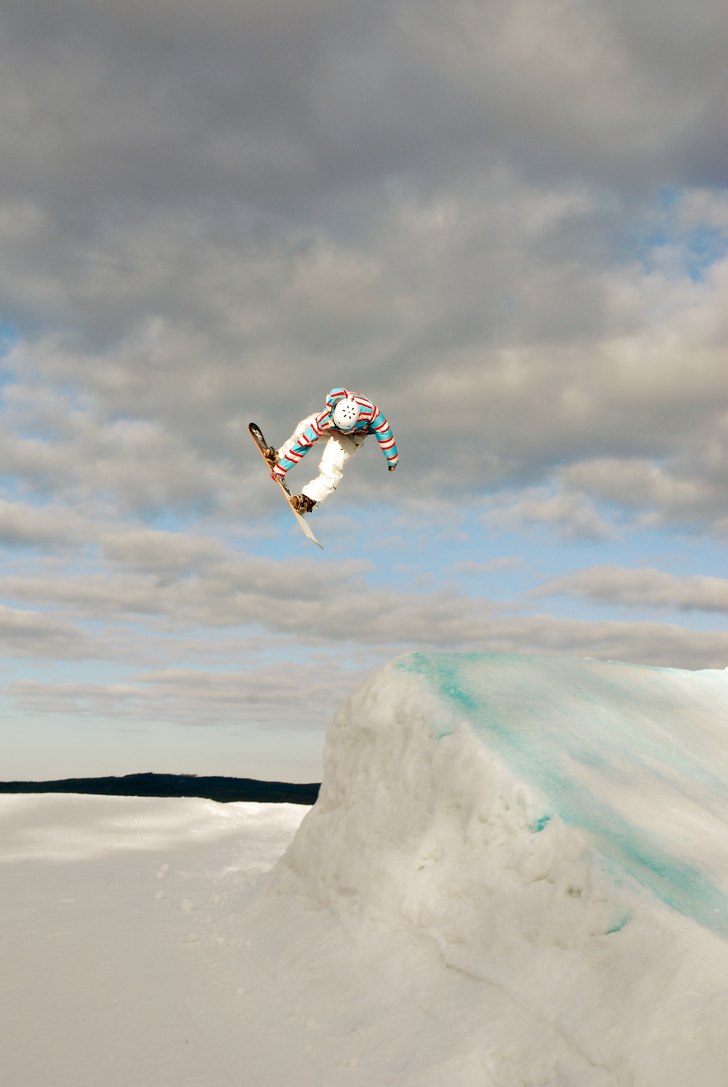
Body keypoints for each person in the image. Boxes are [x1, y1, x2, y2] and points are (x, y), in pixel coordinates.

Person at [265, 387, 398, 513]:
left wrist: (392, 459)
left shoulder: (372, 414)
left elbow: (385, 433)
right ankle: (280, 456)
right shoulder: (326, 416)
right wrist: (281, 468)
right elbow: (304, 443)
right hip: (329, 425)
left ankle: (309, 499)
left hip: (352, 436)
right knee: (304, 428)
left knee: (332, 464)